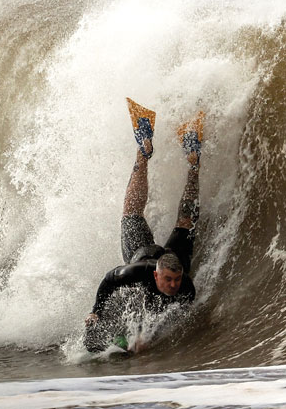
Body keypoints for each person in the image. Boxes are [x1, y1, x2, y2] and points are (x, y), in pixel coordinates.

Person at [84, 102, 203, 353]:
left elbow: (174, 314)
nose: (173, 285)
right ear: (156, 276)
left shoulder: (185, 287)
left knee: (183, 221)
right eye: (168, 280)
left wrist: (148, 337)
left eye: (176, 280)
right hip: (142, 252)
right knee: (136, 212)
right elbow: (109, 280)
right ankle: (144, 150)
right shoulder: (136, 272)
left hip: (171, 256)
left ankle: (194, 162)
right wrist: (96, 312)